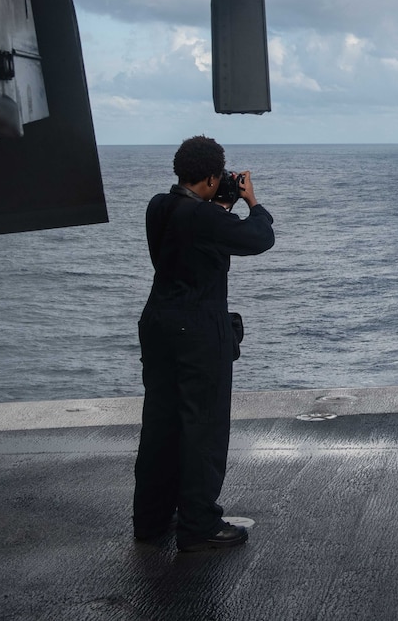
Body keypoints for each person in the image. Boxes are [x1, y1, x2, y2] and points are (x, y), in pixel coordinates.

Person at [132, 135, 275, 552]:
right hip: (196, 327)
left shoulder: (159, 205)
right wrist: (253, 201)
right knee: (203, 426)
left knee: (161, 422)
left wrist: (221, 205)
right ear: (212, 178)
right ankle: (197, 523)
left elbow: (193, 234)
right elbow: (259, 238)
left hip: (158, 322)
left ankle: (151, 518)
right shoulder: (205, 219)